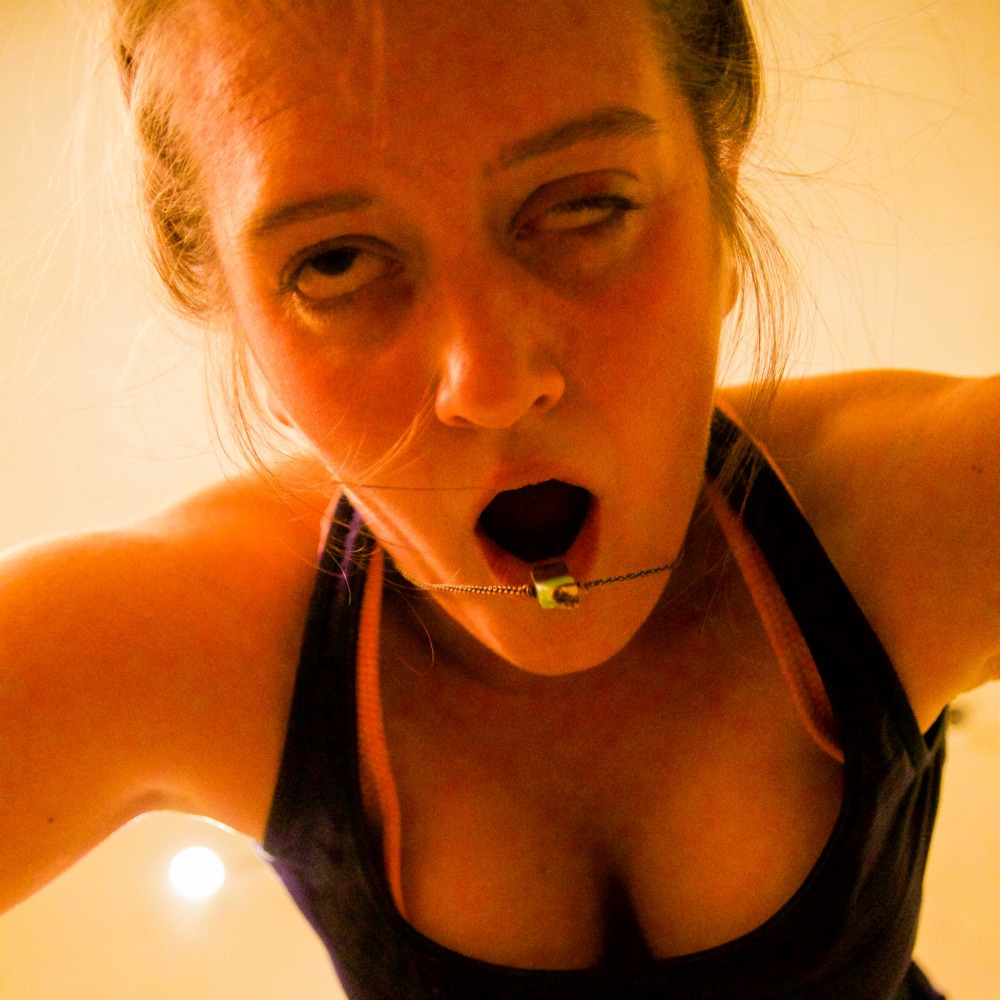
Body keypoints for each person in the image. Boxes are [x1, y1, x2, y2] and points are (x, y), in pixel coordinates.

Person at [1, 0, 996, 997]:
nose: (488, 382)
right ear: (243, 327)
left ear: (721, 193)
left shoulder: (921, 508)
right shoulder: (172, 638)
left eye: (584, 205)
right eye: (335, 261)